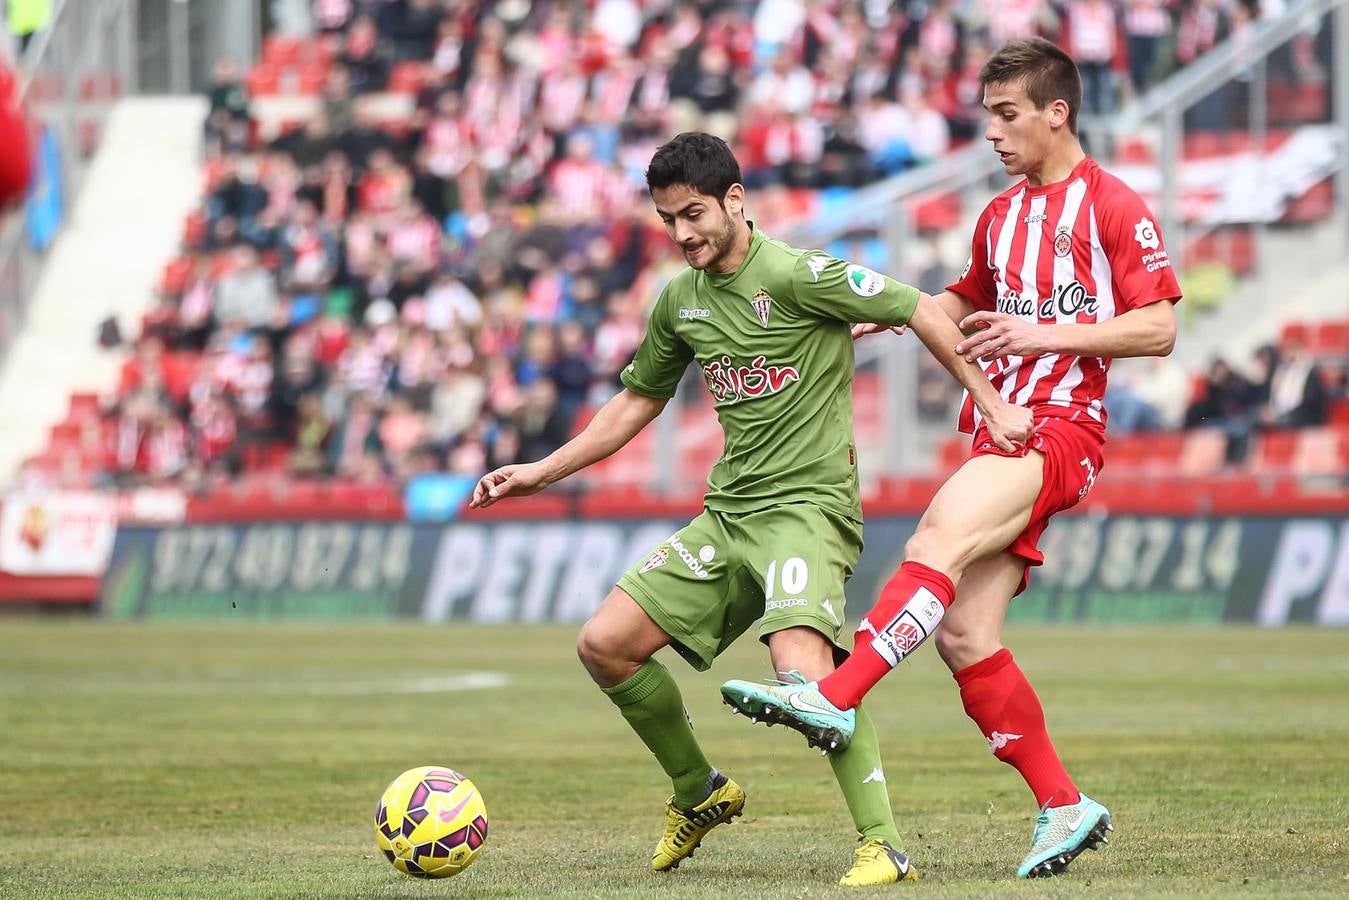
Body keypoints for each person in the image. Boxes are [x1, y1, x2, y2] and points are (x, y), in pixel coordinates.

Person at [469, 132, 1031, 886]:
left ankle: (882, 844)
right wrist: (542, 471)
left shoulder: (798, 275)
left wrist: (990, 404)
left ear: (735, 200)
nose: (682, 234)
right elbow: (638, 399)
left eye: (693, 214)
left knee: (802, 670)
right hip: (729, 515)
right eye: (668, 220)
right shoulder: (678, 300)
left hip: (808, 510)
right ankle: (698, 792)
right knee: (604, 645)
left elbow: (920, 309)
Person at [721, 37, 1181, 880]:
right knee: (965, 635)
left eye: (1008, 116)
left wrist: (1045, 332)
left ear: (1056, 112)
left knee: (933, 536)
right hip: (998, 430)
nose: (994, 134)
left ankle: (834, 695)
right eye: (987, 118)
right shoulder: (1000, 216)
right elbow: (966, 297)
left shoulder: (1113, 206)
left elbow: (1157, 326)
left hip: (1056, 428)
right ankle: (1063, 806)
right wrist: (900, 310)